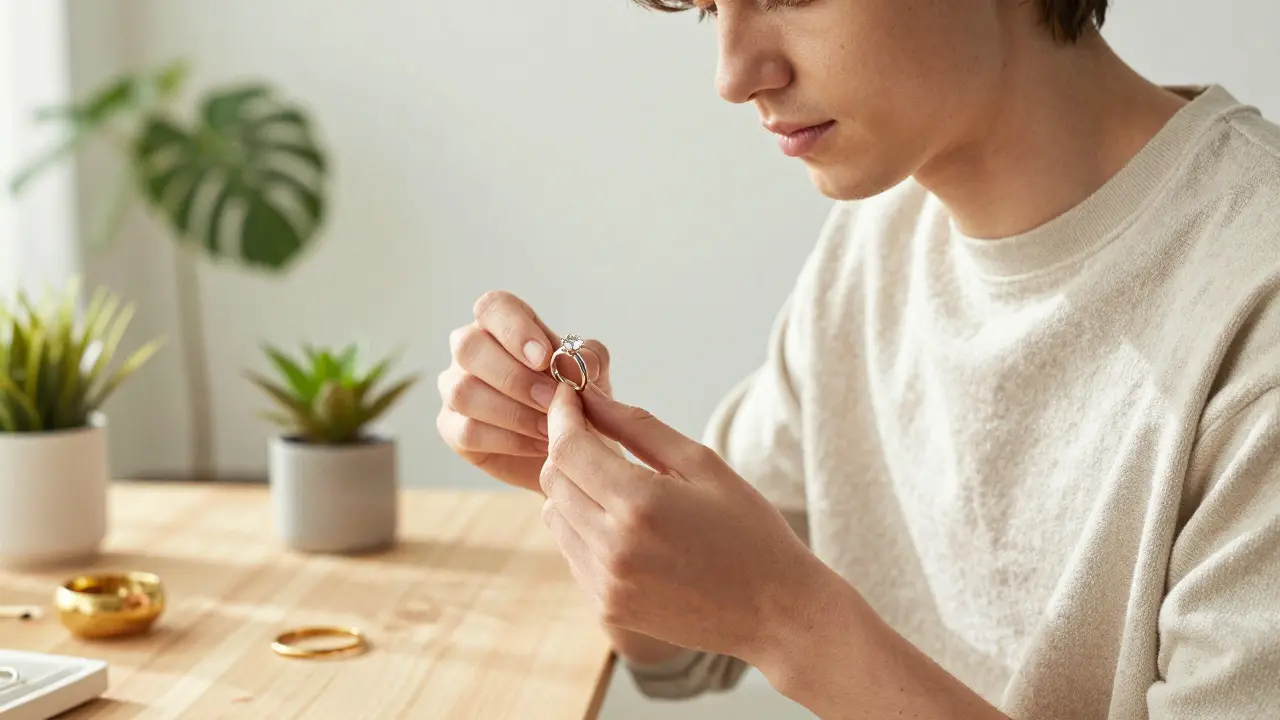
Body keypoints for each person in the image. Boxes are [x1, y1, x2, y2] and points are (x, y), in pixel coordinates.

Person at [436, 0, 1280, 716]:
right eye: (707, 8)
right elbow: (682, 652)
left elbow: (760, 609)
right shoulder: (881, 236)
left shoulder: (1254, 309)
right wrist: (579, 480)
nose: (733, 75)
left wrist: (786, 619)